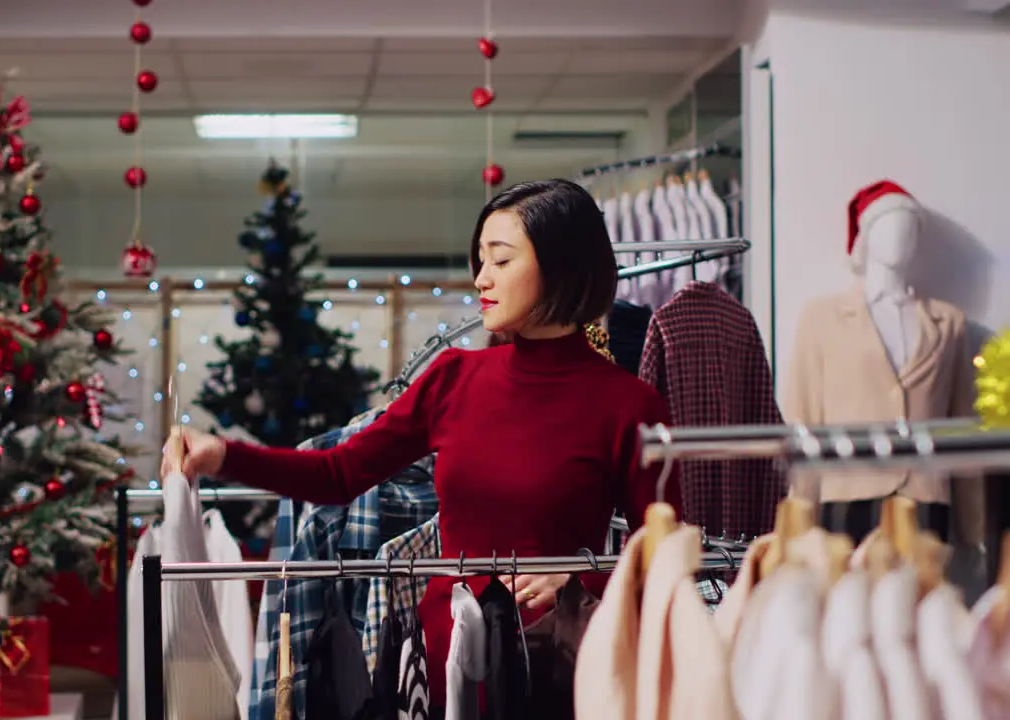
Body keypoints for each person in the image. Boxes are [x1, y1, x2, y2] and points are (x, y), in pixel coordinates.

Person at [163, 179, 682, 708]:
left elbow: (666, 551)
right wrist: (225, 455)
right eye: (479, 260)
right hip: (442, 661)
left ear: (562, 265)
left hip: (564, 667)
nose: (481, 279)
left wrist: (583, 570)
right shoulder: (454, 378)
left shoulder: (629, 404)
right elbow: (340, 474)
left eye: (500, 261)